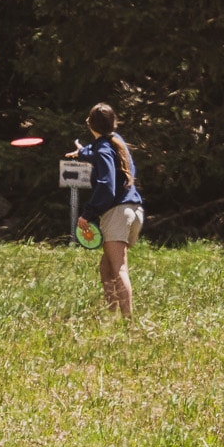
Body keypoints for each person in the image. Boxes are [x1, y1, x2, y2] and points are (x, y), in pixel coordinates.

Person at [68, 103, 144, 318]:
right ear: (114, 122)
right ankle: (111, 317)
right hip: (134, 211)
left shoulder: (103, 148)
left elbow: (106, 186)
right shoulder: (116, 141)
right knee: (106, 267)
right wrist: (82, 152)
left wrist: (87, 213)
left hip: (117, 213)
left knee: (119, 269)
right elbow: (100, 151)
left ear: (90, 124)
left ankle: (129, 324)